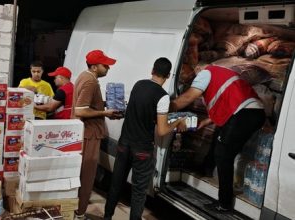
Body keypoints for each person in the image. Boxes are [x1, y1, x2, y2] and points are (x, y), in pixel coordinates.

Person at [170, 65, 265, 212]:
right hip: (253, 113)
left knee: (223, 154)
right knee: (220, 137)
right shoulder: (223, 73)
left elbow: (189, 96)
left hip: (243, 114)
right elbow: (226, 104)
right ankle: (206, 169)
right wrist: (204, 122)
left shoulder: (205, 74)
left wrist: (166, 109)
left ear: (198, 69)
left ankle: (224, 204)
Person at [103, 57, 186, 220]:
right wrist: (178, 121)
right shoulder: (163, 97)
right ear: (168, 76)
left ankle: (107, 217)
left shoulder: (138, 84)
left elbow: (139, 111)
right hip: (142, 149)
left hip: (124, 144)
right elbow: (162, 131)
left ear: (152, 71)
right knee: (138, 192)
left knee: (116, 184)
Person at [72, 50, 122, 219]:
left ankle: (75, 209)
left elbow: (86, 105)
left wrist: (104, 106)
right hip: (89, 134)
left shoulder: (84, 77)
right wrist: (105, 113)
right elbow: (80, 110)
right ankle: (79, 213)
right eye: (105, 65)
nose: (108, 68)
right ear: (94, 67)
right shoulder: (90, 81)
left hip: (84, 132)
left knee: (80, 173)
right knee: (86, 176)